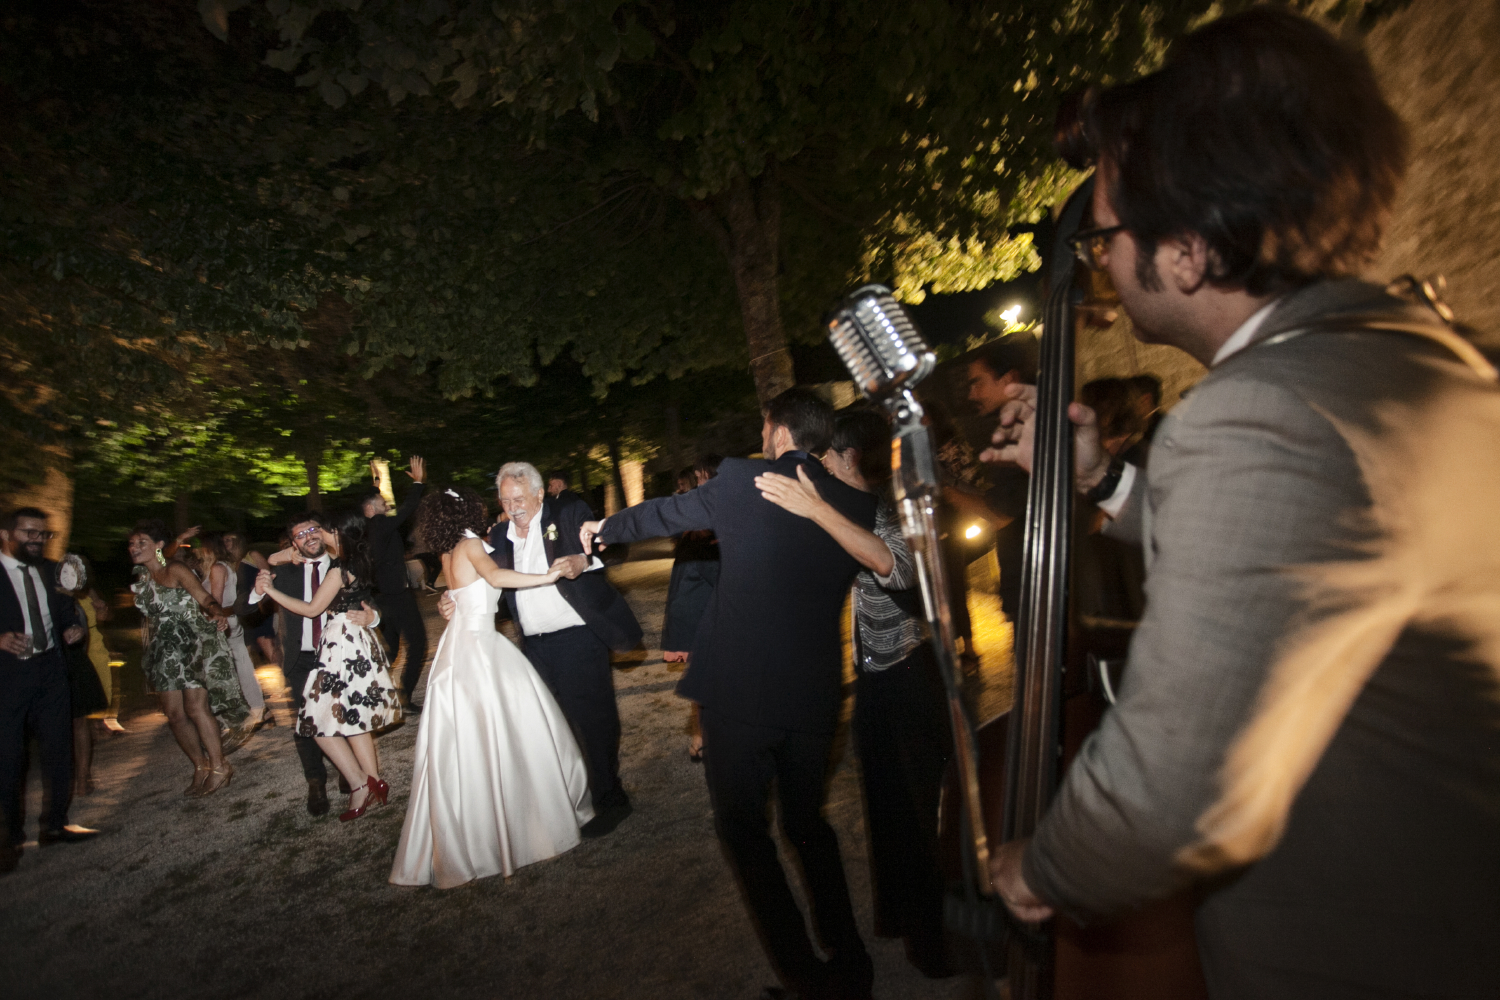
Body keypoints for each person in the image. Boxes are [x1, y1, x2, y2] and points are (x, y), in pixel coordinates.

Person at [983, 9, 1500, 996]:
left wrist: (1039, 867)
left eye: (1104, 237)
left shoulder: (1258, 411)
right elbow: (1312, 554)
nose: (1101, 265)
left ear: (1184, 251)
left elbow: (1167, 790)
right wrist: (1102, 479)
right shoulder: (1419, 354)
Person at [582, 387, 879, 1000]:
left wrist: (603, 526)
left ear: (779, 431)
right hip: (815, 696)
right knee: (808, 826)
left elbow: (666, 514)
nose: (762, 436)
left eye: (765, 426)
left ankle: (803, 977)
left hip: (741, 696)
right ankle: (851, 963)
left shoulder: (746, 480)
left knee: (745, 832)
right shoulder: (857, 504)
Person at [756, 409, 954, 979]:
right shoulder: (847, 510)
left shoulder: (890, 509)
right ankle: (911, 922)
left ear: (849, 457)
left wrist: (817, 509)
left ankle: (942, 936)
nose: (818, 468)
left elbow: (897, 568)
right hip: (873, 676)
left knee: (924, 811)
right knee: (887, 808)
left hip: (912, 676)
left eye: (824, 457)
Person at [390, 487, 592, 888]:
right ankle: (524, 824)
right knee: (505, 731)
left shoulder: (448, 551)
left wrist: (447, 602)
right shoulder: (469, 545)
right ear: (467, 509)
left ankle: (475, 832)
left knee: (469, 739)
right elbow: (495, 577)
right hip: (480, 649)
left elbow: (457, 595)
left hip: (457, 648)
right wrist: (548, 575)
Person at [440, 461, 643, 838]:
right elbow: (482, 580)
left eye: (519, 499)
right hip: (531, 645)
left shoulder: (568, 513)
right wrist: (452, 600)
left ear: (538, 494)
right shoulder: (497, 534)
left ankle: (611, 798)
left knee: (592, 719)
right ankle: (567, 799)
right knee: (550, 725)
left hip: (577, 637)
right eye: (505, 500)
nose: (512, 507)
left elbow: (615, 547)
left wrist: (585, 560)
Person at [255, 509, 402, 822]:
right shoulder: (356, 559)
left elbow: (312, 610)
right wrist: (279, 557)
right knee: (351, 718)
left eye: (318, 530)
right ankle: (372, 781)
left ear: (336, 533)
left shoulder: (338, 568)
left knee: (315, 722)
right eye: (304, 533)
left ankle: (359, 783)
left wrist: (270, 591)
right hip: (339, 647)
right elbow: (274, 557)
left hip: (340, 648)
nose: (313, 536)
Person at [1, 507, 95, 872]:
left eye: (43, 534)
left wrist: (75, 629)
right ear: (6, 534)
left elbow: (67, 612)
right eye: (30, 533)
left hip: (51, 671)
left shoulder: (53, 571)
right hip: (8, 677)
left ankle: (55, 825)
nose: (38, 540)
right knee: (9, 757)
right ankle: (9, 837)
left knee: (59, 749)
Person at [128, 519, 247, 798]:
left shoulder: (176, 569)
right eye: (131, 544)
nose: (134, 548)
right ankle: (200, 765)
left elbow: (204, 597)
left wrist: (217, 613)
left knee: (195, 708)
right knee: (174, 714)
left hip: (192, 644)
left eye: (142, 542)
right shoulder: (143, 576)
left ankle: (220, 766)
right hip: (164, 650)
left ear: (159, 545)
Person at [363, 456, 428, 711]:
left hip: (381, 596)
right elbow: (405, 510)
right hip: (396, 595)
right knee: (417, 643)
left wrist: (376, 482)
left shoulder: (367, 528)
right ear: (370, 509)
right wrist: (418, 484)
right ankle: (403, 696)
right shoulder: (379, 523)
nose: (387, 504)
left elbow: (371, 499)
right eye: (382, 503)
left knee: (390, 649)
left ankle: (368, 694)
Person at [199, 532, 269, 731]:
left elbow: (216, 601)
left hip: (222, 622)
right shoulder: (223, 566)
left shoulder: (218, 568)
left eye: (201, 548)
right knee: (240, 663)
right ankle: (258, 709)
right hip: (229, 620)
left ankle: (241, 712)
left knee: (227, 667)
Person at [56, 554, 110, 797]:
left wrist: (102, 610)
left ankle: (82, 777)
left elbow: (101, 619)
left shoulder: (82, 596)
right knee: (62, 725)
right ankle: (67, 777)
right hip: (55, 663)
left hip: (78, 658)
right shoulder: (50, 596)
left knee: (79, 721)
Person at [661, 455, 722, 663]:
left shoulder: (723, 501)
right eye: (697, 478)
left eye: (702, 477)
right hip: (694, 562)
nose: (699, 483)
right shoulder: (694, 502)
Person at [225, 532, 279, 670]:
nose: (226, 542)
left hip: (261, 606)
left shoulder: (252, 555)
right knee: (249, 650)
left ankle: (284, 676)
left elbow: (269, 576)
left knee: (266, 642)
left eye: (229, 539)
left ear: (239, 540)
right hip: (246, 609)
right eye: (224, 540)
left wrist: (265, 601)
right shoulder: (230, 564)